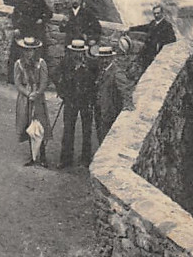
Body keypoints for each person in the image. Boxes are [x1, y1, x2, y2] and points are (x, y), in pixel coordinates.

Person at [13, 38, 51, 167]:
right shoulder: (18, 64)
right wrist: (28, 93)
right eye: (26, 51)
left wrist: (37, 93)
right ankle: (33, 156)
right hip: (25, 98)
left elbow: (44, 81)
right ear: (23, 51)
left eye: (32, 51)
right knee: (28, 124)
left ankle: (43, 156)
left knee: (40, 124)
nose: (29, 53)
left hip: (38, 97)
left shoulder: (41, 63)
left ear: (35, 51)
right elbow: (18, 83)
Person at [58, 39, 95, 168]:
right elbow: (55, 75)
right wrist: (62, 91)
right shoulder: (66, 62)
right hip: (71, 100)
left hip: (86, 101)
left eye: (80, 52)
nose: (77, 55)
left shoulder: (91, 63)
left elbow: (95, 81)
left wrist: (92, 97)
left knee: (87, 130)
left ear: (84, 51)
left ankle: (86, 159)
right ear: (71, 51)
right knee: (68, 129)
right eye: (74, 52)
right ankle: (66, 159)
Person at [8, 0, 52, 83]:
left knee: (38, 54)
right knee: (18, 53)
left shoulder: (40, 2)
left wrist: (42, 19)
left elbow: (49, 13)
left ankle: (38, 79)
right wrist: (16, 28)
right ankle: (15, 78)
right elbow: (15, 16)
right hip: (23, 30)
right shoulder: (21, 2)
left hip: (36, 31)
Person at [128, 3, 176, 76]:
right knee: (144, 69)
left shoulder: (167, 25)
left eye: (158, 13)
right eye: (155, 13)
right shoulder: (153, 23)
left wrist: (160, 45)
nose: (156, 15)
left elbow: (172, 40)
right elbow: (143, 27)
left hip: (156, 53)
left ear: (162, 13)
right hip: (147, 51)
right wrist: (131, 29)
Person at [90, 44, 122, 143]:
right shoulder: (101, 71)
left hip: (110, 112)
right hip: (100, 110)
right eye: (101, 59)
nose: (104, 61)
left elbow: (121, 95)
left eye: (106, 59)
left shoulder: (116, 73)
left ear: (112, 58)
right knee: (100, 136)